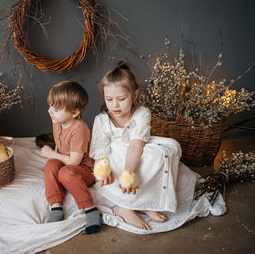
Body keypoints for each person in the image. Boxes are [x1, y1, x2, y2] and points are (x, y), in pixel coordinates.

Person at [90, 61, 197, 230]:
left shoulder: (141, 113)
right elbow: (100, 151)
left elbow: (136, 146)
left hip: (134, 149)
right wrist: (102, 169)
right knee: (112, 160)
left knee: (169, 148)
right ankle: (125, 208)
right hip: (113, 154)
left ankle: (145, 203)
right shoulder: (102, 120)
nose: (115, 105)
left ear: (135, 95)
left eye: (121, 99)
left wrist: (129, 173)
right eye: (109, 99)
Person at [40, 80, 101, 234]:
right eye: (50, 106)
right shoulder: (58, 121)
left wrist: (51, 154)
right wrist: (53, 156)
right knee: (50, 166)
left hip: (86, 170)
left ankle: (91, 210)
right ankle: (56, 206)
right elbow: (59, 147)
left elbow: (74, 161)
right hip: (68, 163)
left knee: (65, 172)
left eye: (56, 109)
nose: (49, 111)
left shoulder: (79, 128)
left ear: (74, 112)